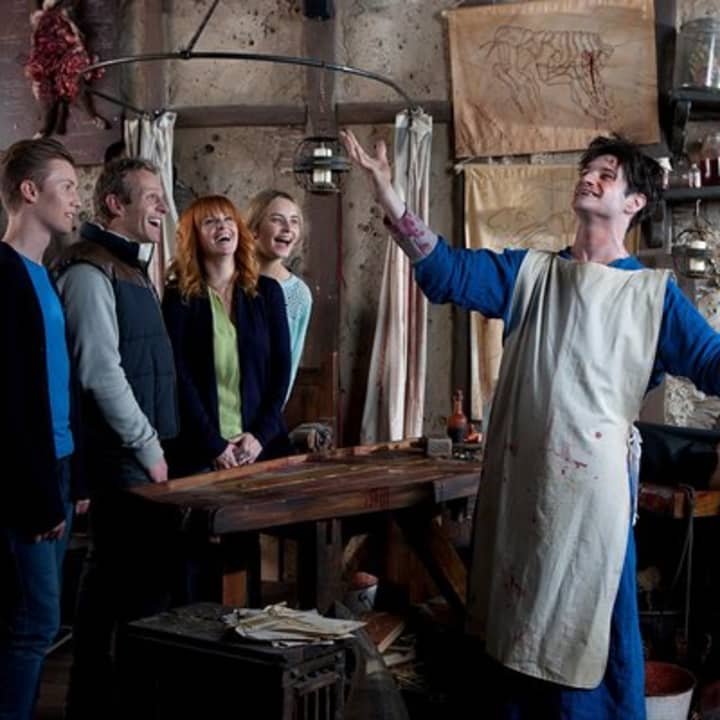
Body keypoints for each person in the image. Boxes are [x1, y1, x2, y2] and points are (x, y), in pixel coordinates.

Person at [341, 128, 720, 718]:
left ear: (635, 202)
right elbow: (446, 271)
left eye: (607, 174)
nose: (589, 177)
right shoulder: (530, 275)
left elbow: (712, 363)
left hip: (592, 501)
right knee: (515, 634)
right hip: (519, 490)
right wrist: (389, 194)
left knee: (585, 639)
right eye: (587, 169)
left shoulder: (653, 297)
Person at [55, 157, 178, 719]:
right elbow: (99, 373)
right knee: (118, 589)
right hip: (121, 458)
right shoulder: (88, 268)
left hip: (140, 454)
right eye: (150, 196)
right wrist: (149, 448)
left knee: (133, 588)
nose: (162, 207)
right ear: (114, 204)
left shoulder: (129, 266)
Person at [0, 137, 87, 720]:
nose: (77, 199)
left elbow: (59, 383)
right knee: (34, 623)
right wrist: (38, 496)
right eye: (68, 187)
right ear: (30, 192)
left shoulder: (43, 274)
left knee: (36, 622)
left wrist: (73, 479)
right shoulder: (4, 275)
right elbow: (9, 403)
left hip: (56, 467)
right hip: (27, 478)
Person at [162, 194, 292, 478]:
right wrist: (215, 445)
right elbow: (178, 377)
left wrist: (259, 436)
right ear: (194, 236)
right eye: (210, 221)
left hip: (263, 446)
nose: (223, 226)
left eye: (228, 219)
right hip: (200, 450)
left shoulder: (268, 292)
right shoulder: (178, 298)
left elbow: (282, 370)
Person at [245, 189, 312, 402]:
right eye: (277, 220)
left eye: (294, 221)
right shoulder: (229, 280)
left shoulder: (299, 294)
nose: (287, 228)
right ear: (254, 229)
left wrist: (271, 415)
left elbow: (289, 365)